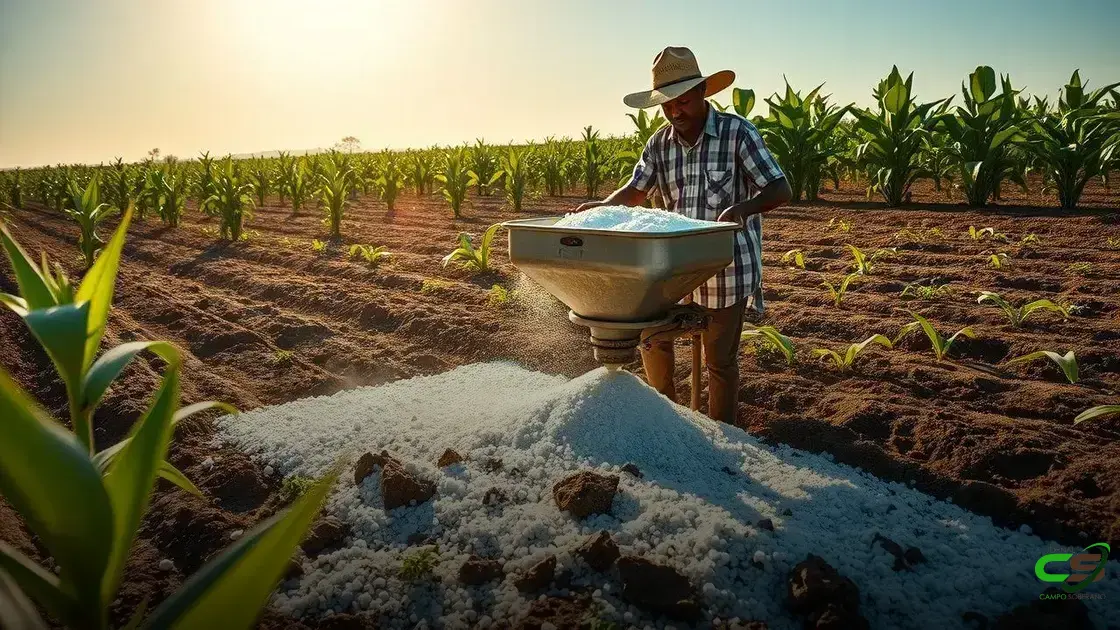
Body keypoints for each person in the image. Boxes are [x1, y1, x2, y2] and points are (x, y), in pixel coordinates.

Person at [575, 46, 792, 424]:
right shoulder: (660, 143)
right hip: (672, 269)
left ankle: (722, 436)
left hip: (726, 266)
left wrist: (741, 210)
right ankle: (668, 428)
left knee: (720, 361)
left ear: (703, 93)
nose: (676, 112)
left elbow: (779, 188)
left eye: (684, 102)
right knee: (652, 342)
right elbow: (636, 191)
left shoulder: (737, 133)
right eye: (667, 105)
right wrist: (601, 208)